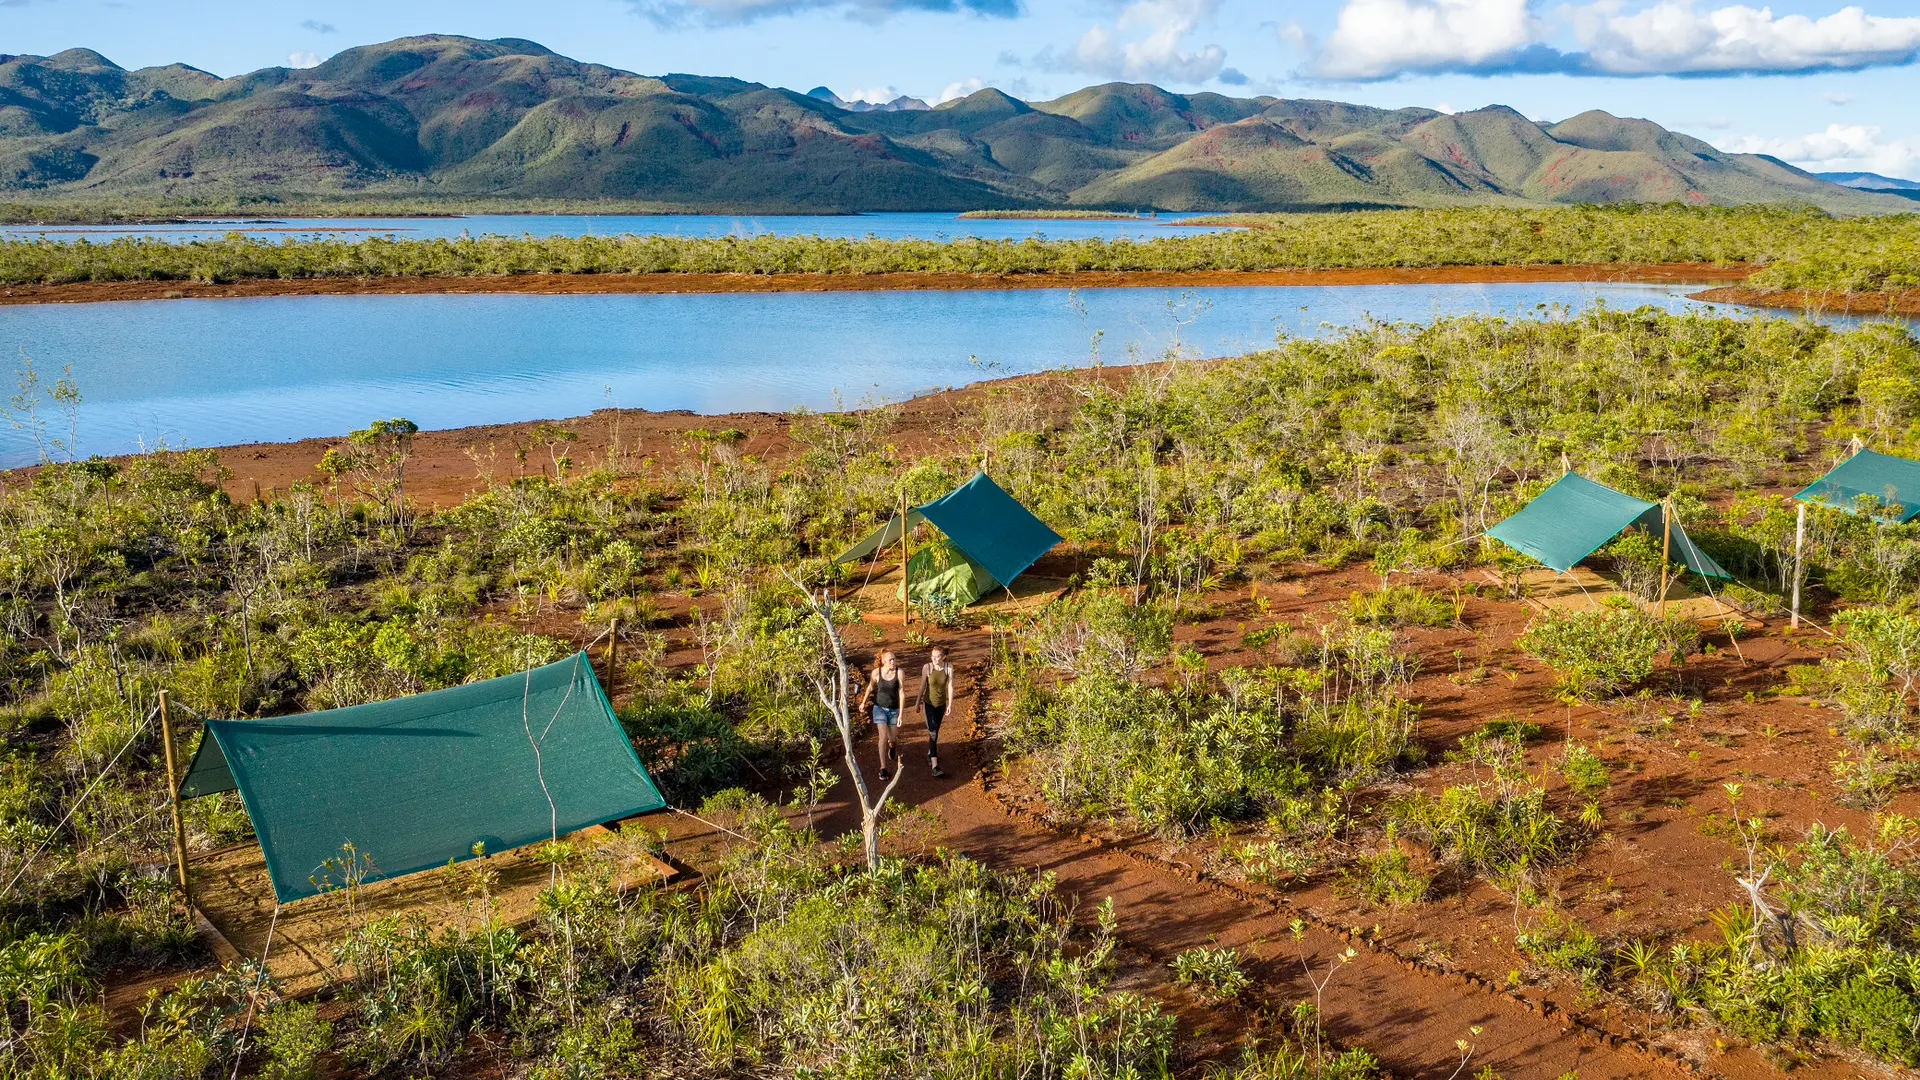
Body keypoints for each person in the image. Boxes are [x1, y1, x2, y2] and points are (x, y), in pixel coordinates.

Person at [857, 649, 904, 780]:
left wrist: (901, 714)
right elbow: (870, 687)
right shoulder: (876, 673)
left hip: (894, 709)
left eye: (894, 659)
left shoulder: (899, 673)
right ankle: (883, 768)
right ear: (884, 661)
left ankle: (892, 745)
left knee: (893, 738)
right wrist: (863, 702)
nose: (893, 662)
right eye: (890, 660)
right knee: (882, 736)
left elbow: (901, 693)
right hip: (879, 708)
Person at [920, 647, 955, 778]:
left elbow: (950, 686)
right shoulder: (927, 667)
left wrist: (950, 704)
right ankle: (935, 766)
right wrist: (918, 702)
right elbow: (922, 685)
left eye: (936, 656)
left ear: (944, 657)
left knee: (935, 731)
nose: (933, 659)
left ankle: (930, 752)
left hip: (941, 705)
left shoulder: (949, 668)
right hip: (928, 703)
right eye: (932, 656)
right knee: (933, 732)